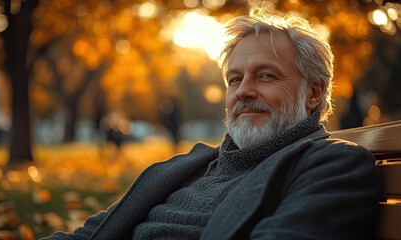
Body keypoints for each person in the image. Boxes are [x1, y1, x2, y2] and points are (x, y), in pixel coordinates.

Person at [43, 8, 381, 240]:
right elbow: (90, 234)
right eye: (234, 80)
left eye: (265, 76)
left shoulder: (333, 164)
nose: (244, 91)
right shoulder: (191, 166)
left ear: (313, 93)